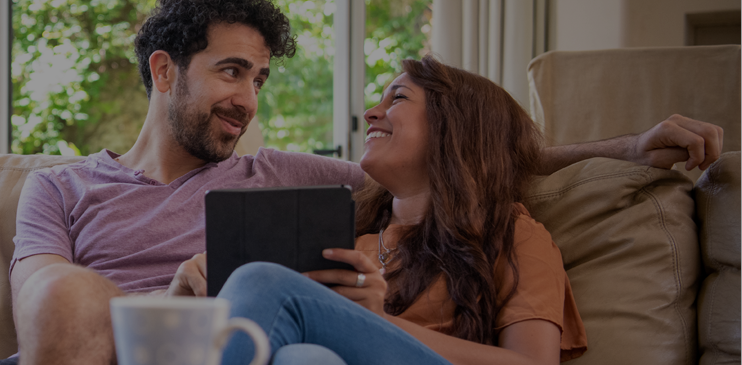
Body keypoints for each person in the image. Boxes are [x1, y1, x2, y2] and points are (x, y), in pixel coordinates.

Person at [0, 1, 725, 364]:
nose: (248, 100)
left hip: (226, 347)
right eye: (231, 72)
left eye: (260, 77)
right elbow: (51, 322)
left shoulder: (301, 180)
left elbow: (470, 149)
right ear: (166, 72)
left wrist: (622, 147)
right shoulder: (62, 188)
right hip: (78, 353)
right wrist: (170, 306)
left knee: (273, 321)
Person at [215, 55, 584, 365]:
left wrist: (374, 320)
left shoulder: (512, 232)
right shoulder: (346, 239)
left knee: (258, 280)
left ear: (455, 127)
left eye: (398, 99)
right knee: (306, 358)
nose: (373, 112)